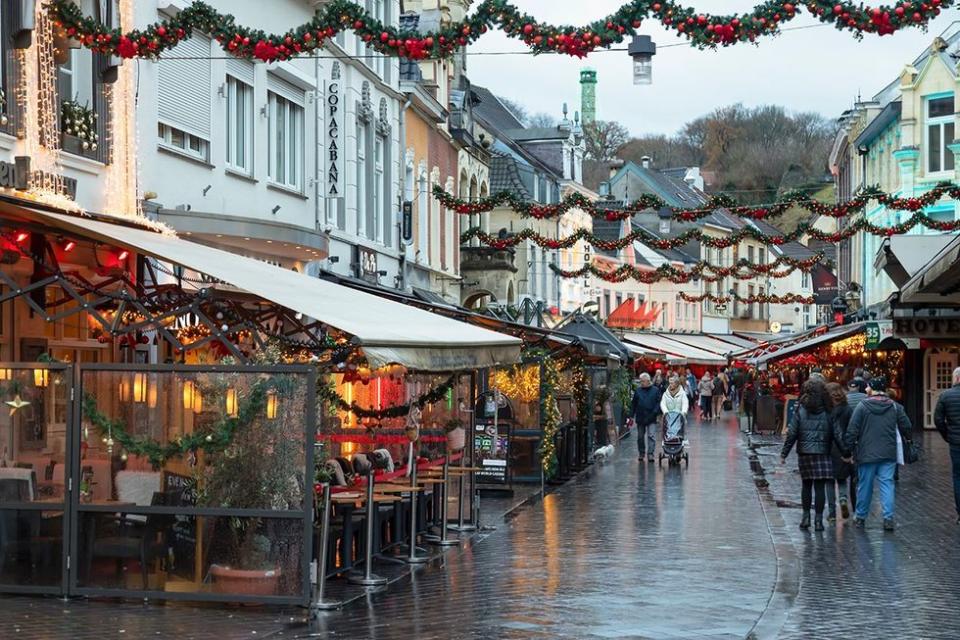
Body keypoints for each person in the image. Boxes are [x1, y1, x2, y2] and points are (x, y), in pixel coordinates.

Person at [843, 376, 913, 531]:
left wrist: (847, 449)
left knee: (865, 485)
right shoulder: (895, 407)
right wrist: (908, 439)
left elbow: (852, 430)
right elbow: (907, 426)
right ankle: (888, 518)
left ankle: (861, 517)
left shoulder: (862, 406)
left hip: (866, 452)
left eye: (868, 387)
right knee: (887, 484)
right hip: (888, 452)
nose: (866, 389)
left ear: (873, 388)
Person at [780, 379, 844, 531]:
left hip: (805, 453)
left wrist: (784, 454)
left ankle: (806, 517)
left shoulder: (801, 409)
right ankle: (818, 521)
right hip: (823, 453)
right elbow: (837, 434)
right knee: (820, 487)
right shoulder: (829, 410)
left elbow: (792, 433)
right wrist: (846, 452)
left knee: (806, 486)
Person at [825, 382, 856, 521]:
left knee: (829, 482)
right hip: (843, 448)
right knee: (842, 479)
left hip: (828, 447)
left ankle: (832, 513)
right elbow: (851, 429)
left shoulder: (826, 410)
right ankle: (843, 499)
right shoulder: (848, 409)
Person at [934, 366, 960, 525]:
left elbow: (938, 419)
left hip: (956, 442)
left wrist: (947, 435)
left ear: (956, 378)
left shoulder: (945, 396)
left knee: (958, 476)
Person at [631, 373, 662, 462]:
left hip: (651, 416)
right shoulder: (638, 390)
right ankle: (641, 453)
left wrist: (655, 412)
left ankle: (650, 454)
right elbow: (634, 404)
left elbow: (658, 402)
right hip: (640, 417)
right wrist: (631, 415)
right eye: (640, 381)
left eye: (642, 381)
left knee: (651, 436)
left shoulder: (655, 390)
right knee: (640, 437)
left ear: (648, 381)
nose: (641, 383)